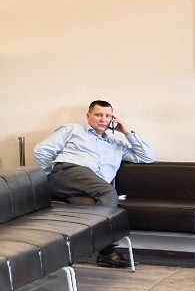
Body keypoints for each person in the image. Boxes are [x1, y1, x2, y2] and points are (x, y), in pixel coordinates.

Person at [34, 100, 151, 267]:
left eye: (108, 116)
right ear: (88, 116)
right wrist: (52, 171)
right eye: (98, 115)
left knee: (89, 205)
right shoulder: (73, 130)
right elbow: (41, 150)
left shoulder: (117, 145)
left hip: (90, 188)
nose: (103, 119)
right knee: (108, 192)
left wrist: (127, 132)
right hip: (68, 173)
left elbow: (146, 157)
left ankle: (78, 251)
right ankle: (107, 252)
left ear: (113, 119)